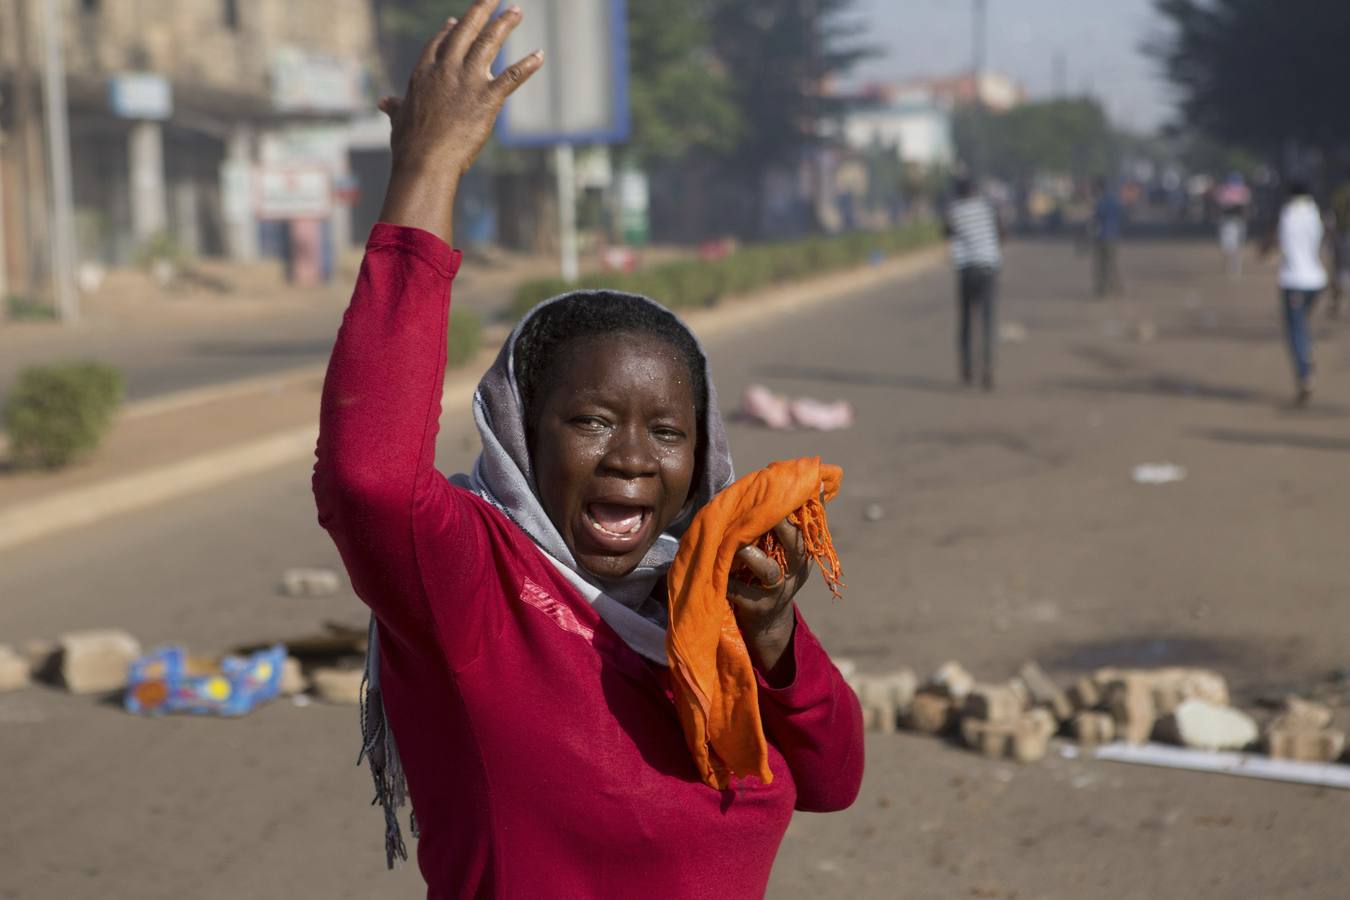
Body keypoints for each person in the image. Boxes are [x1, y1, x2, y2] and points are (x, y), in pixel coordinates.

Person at [311, 4, 864, 897]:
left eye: (669, 431)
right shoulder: (472, 586)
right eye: (593, 422)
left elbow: (834, 780)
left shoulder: (705, 595)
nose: (634, 459)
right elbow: (366, 475)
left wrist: (774, 638)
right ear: (522, 434)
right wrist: (425, 171)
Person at [1264, 181, 1328, 405]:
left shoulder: (1288, 214)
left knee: (1296, 329)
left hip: (1294, 281)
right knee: (1302, 325)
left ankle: (1305, 372)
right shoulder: (1315, 212)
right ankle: (1306, 353)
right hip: (1317, 281)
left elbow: (1276, 244)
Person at [945, 174, 1003, 389]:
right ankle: (988, 365)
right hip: (988, 267)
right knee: (988, 321)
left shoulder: (955, 210)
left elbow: (947, 233)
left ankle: (967, 367)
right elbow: (1001, 232)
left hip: (967, 270)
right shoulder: (987, 208)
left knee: (966, 321)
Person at [1089, 176, 1124, 297]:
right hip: (1113, 235)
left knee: (1101, 265)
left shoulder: (1102, 200)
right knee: (1111, 263)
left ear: (1098, 187)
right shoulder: (1113, 199)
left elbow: (1097, 217)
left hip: (1103, 236)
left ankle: (1102, 290)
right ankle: (1116, 287)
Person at [1215, 173, 1251, 280]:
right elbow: (1220, 208)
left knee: (1237, 246)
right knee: (1228, 246)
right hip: (1227, 222)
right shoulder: (1224, 191)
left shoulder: (1243, 191)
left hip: (1237, 222)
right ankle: (1230, 267)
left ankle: (1235, 267)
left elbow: (1245, 208)